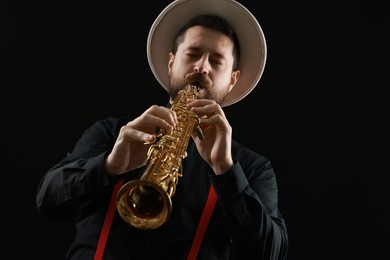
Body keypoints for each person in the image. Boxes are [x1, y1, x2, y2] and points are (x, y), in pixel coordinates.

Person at [36, 0, 288, 259]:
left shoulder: (252, 168)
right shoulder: (113, 132)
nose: (202, 67)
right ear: (171, 62)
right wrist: (109, 166)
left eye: (216, 61)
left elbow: (272, 253)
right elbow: (47, 200)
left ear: (232, 80)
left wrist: (226, 170)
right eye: (192, 54)